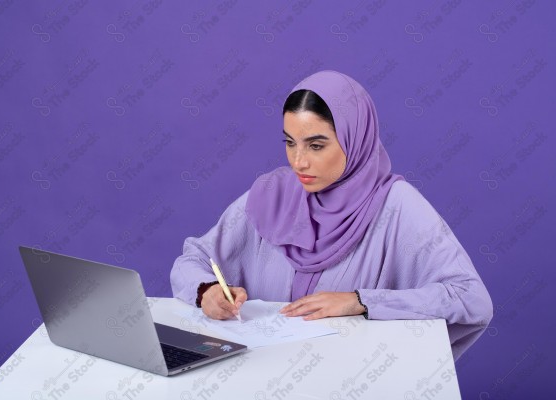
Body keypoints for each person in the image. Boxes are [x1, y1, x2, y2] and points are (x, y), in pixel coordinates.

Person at [170, 70, 493, 360]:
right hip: (263, 379)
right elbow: (193, 258)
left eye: (316, 145)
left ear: (355, 139)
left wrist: (361, 302)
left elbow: (470, 298)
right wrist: (207, 291)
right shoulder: (274, 194)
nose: (299, 162)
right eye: (290, 143)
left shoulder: (396, 205)